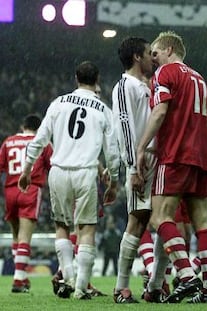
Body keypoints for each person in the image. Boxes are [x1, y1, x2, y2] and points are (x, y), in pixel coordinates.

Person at [18, 60, 120, 300]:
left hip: (59, 171)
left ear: (76, 78)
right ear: (97, 81)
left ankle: (69, 276)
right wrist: (113, 180)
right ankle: (81, 287)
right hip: (85, 172)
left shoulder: (59, 103)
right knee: (86, 229)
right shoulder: (103, 109)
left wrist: (26, 169)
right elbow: (112, 150)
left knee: (61, 226)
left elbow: (40, 139)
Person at [136, 30, 207, 304]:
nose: (153, 59)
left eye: (155, 53)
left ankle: (186, 276)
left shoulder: (165, 73)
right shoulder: (201, 79)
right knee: (202, 223)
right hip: (202, 157)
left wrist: (141, 146)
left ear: (169, 49)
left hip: (175, 155)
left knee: (159, 218)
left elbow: (160, 112)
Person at [111, 36, 155, 304]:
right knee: (137, 221)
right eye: (149, 53)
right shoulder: (125, 85)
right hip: (141, 163)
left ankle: (156, 283)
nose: (153, 57)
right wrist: (133, 167)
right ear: (137, 57)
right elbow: (125, 128)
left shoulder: (144, 85)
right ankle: (121, 287)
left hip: (154, 159)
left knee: (159, 220)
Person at [0, 114, 52, 293]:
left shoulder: (8, 141)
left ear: (23, 126)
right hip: (30, 189)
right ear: (39, 129)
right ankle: (18, 279)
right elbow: (53, 166)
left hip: (10, 191)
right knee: (25, 237)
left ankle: (21, 276)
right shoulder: (42, 142)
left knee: (15, 236)